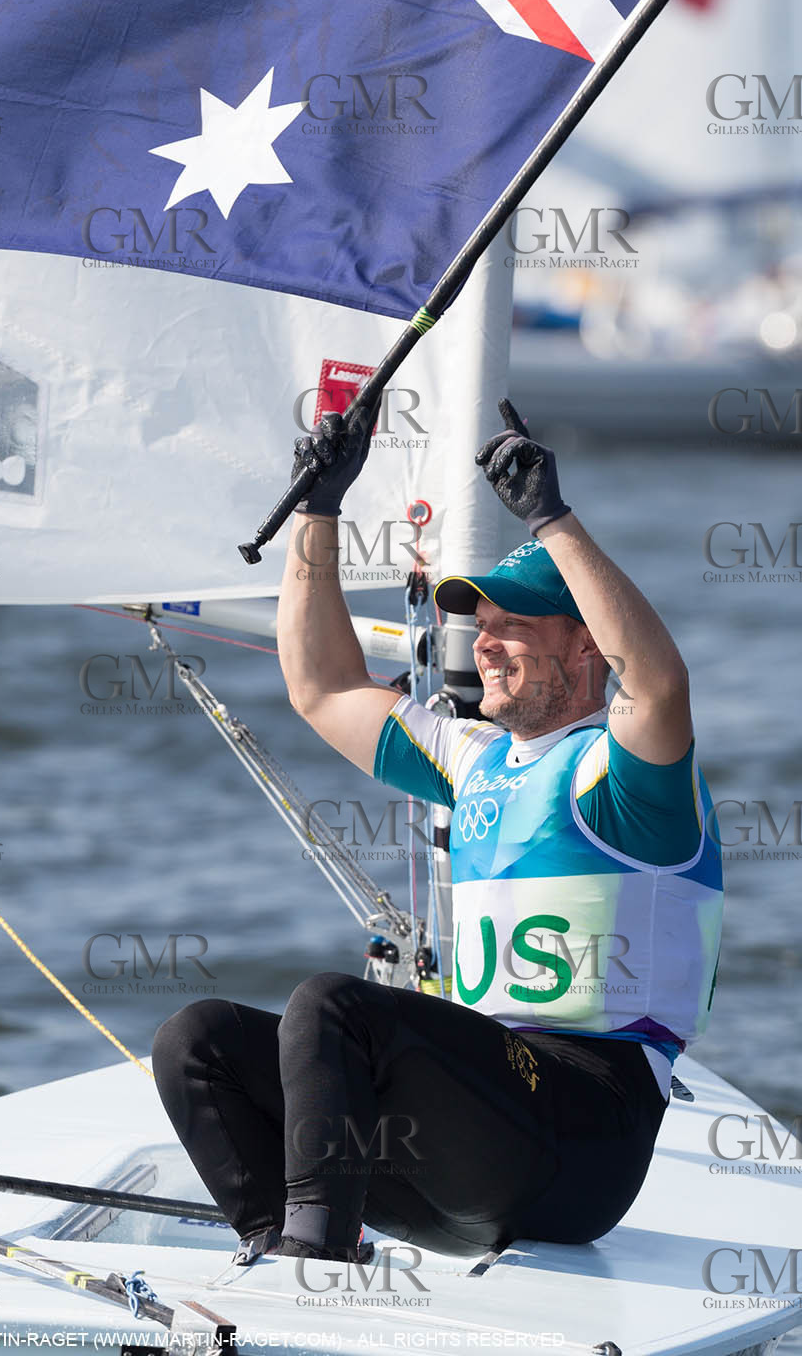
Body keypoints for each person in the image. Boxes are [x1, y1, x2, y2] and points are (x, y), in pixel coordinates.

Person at [152, 400, 722, 1265]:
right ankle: (275, 1253)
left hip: (584, 1135)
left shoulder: (623, 775)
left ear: (584, 652)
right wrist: (319, 510)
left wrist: (549, 518)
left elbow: (659, 682)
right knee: (200, 1041)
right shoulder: (475, 758)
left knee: (331, 1007)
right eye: (480, 628)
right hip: (465, 1149)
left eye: (514, 628)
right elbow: (321, 687)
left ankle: (320, 1251)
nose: (484, 646)